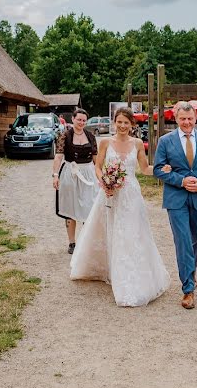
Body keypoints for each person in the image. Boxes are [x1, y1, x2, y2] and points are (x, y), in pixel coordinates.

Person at [71, 107, 170, 307]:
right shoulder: (105, 142)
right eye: (120, 122)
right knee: (108, 230)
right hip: (109, 194)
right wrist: (105, 183)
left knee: (131, 233)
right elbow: (98, 168)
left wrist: (162, 169)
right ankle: (106, 269)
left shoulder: (137, 144)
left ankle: (130, 277)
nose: (123, 126)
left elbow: (144, 169)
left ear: (132, 124)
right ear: (114, 123)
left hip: (131, 195)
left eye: (127, 123)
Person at [152, 101, 197, 310]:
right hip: (176, 199)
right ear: (176, 119)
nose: (187, 122)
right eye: (183, 119)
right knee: (182, 240)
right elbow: (158, 169)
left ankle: (190, 271)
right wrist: (180, 180)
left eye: (190, 119)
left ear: (196, 119)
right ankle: (188, 288)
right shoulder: (165, 141)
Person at [52, 108, 99, 254]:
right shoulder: (64, 135)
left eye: (84, 120)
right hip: (70, 173)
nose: (81, 122)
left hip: (88, 174)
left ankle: (86, 240)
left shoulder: (91, 136)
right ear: (73, 119)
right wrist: (55, 175)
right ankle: (72, 242)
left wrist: (101, 176)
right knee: (70, 209)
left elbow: (96, 159)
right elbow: (59, 156)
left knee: (88, 207)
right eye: (79, 119)